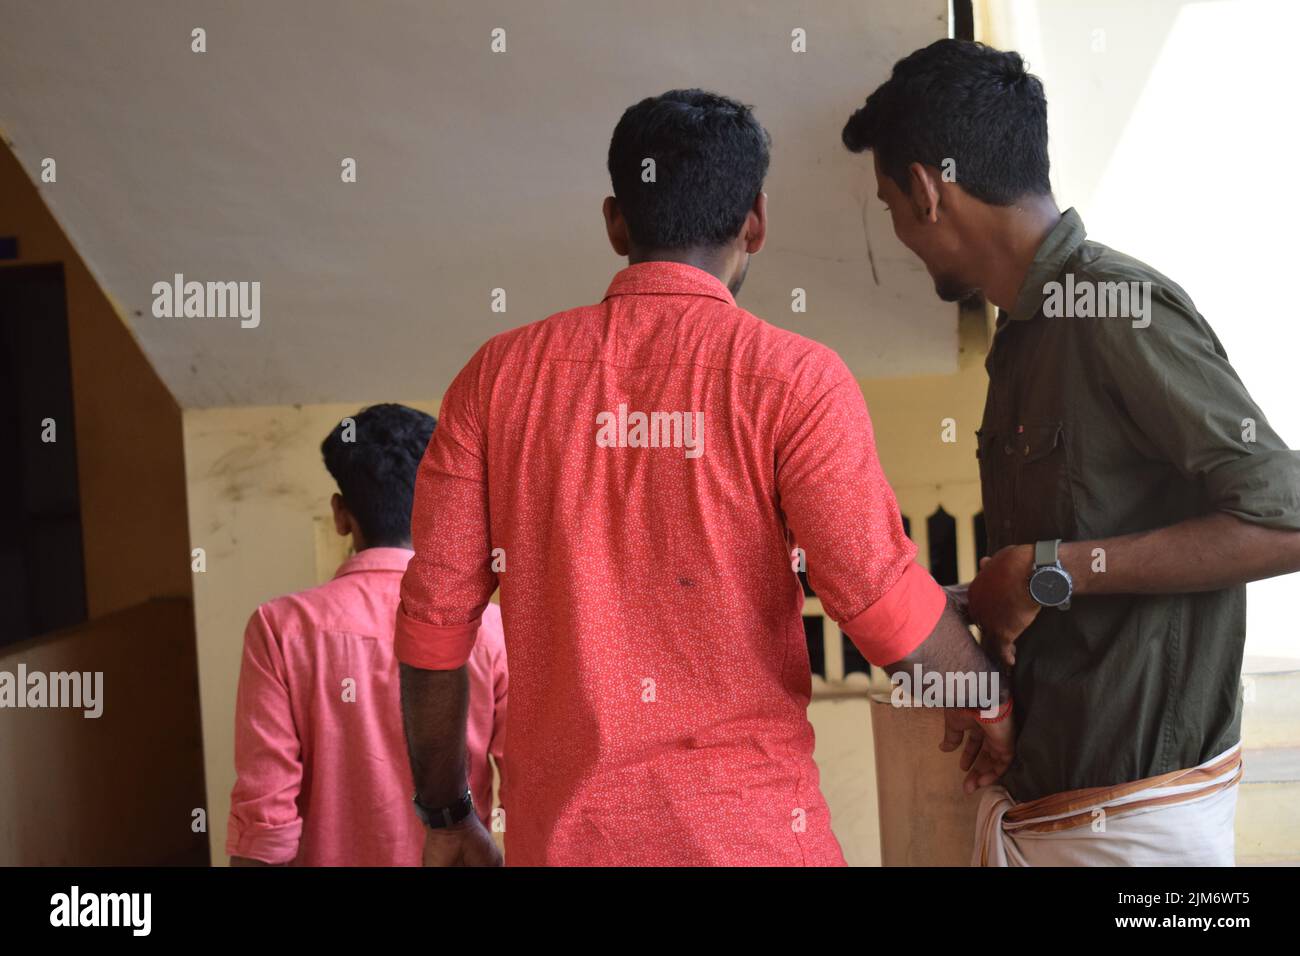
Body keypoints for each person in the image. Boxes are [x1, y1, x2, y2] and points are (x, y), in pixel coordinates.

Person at [397, 89, 1009, 868]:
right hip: (751, 838)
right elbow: (879, 600)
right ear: (756, 220)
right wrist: (990, 700)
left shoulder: (494, 381)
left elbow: (433, 631)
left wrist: (449, 813)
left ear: (617, 222)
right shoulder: (794, 380)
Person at [842, 39, 1300, 865]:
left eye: (890, 205)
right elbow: (1070, 579)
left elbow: (1289, 518)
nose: (900, 235)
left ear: (925, 190)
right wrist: (975, 609)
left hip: (1140, 831)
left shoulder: (1115, 308)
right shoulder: (1024, 336)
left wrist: (1044, 569)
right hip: (1050, 810)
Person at [227, 403, 507, 866]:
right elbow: (532, 787)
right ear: (437, 513)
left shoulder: (279, 629)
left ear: (340, 515)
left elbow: (265, 825)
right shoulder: (491, 630)